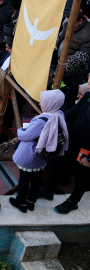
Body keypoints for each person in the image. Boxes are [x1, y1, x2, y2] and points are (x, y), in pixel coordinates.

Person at [11, 90, 67, 213]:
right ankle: (31, 202)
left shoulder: (41, 121)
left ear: (50, 103)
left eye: (42, 101)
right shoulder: (59, 115)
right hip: (42, 155)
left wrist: (20, 129)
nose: (40, 103)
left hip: (30, 153)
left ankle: (21, 203)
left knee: (24, 179)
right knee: (36, 178)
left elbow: (25, 136)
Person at [52, 85, 90, 214]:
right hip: (73, 141)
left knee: (81, 175)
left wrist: (89, 157)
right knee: (60, 164)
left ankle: (72, 202)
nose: (87, 86)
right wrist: (56, 119)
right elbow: (73, 111)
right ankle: (48, 190)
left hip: (86, 150)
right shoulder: (88, 95)